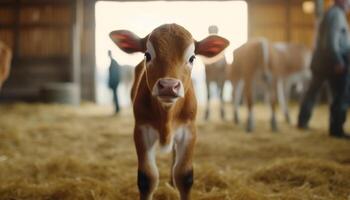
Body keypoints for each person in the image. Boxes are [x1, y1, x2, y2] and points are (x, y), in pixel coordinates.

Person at [297, 0, 350, 138]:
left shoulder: (331, 13)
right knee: (340, 95)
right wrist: (338, 60)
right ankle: (336, 129)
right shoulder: (337, 15)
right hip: (332, 62)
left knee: (312, 93)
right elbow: (331, 41)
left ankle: (302, 121)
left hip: (321, 61)